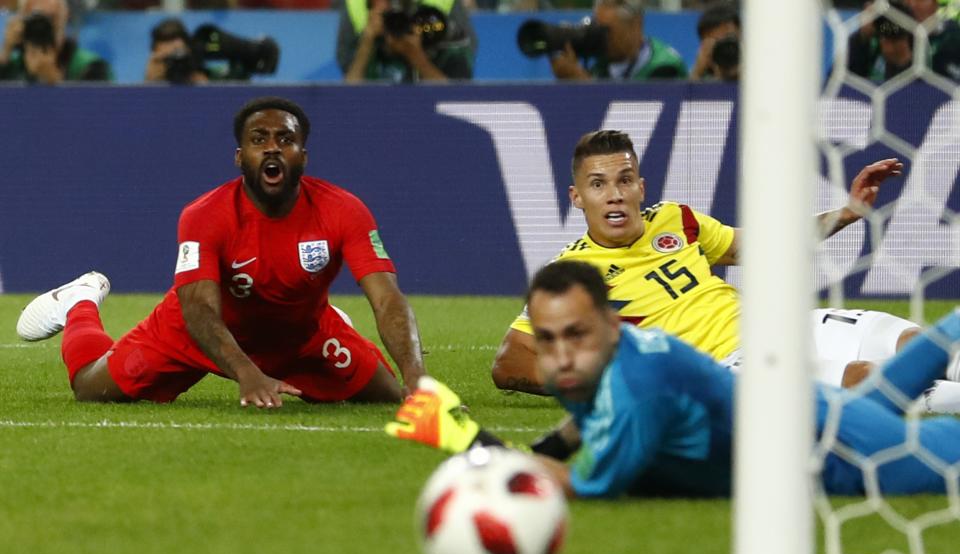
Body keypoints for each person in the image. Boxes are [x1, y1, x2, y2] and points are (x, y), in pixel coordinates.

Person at [387, 260, 960, 498]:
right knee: (916, 367)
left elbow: (565, 485)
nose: (561, 356)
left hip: (848, 452)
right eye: (548, 337)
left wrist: (463, 439)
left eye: (576, 335)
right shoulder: (618, 355)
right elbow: (569, 436)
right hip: (821, 412)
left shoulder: (642, 389)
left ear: (612, 325)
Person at [489, 130, 960, 414]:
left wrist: (848, 212)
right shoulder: (569, 274)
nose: (614, 194)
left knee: (919, 343)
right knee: (870, 377)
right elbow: (510, 362)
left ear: (640, 187)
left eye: (623, 180)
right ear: (577, 198)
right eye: (597, 185)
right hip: (728, 367)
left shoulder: (677, 219)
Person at [16, 96, 426, 408]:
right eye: (258, 140)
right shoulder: (204, 215)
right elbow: (197, 308)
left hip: (299, 334)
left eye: (285, 140)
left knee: (390, 396)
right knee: (91, 389)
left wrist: (417, 377)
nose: (271, 148)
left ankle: (327, 320)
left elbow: (387, 297)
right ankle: (79, 302)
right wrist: (248, 373)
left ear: (303, 155)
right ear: (239, 156)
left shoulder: (344, 210)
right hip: (195, 329)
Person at [337, 0, 476, 83]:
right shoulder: (371, 38)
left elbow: (456, 99)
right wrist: (366, 43)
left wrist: (416, 56)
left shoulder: (447, 36)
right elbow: (347, 100)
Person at [550, 0, 687, 82]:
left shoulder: (665, 67)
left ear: (635, 26)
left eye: (606, 31)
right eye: (597, 29)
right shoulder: (600, 67)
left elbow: (639, 122)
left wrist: (584, 86)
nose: (601, 38)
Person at [847, 0, 960, 83]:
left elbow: (941, 98)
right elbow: (839, 89)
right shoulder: (881, 33)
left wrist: (904, 63)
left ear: (935, 4)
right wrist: (861, 39)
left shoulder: (950, 38)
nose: (911, 3)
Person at [0, 0, 111, 83]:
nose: (42, 28)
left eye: (50, 18)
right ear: (21, 22)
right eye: (34, 20)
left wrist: (54, 80)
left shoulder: (91, 66)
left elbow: (98, 109)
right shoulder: (12, 67)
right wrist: (6, 50)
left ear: (65, 18)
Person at [144, 18, 210, 85]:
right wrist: (150, 80)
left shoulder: (195, 62)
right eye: (169, 58)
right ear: (155, 50)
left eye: (179, 54)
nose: (177, 62)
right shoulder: (156, 63)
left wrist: (203, 85)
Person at [688, 1, 740, 82]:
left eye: (729, 38)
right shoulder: (702, 77)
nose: (725, 48)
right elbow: (686, 93)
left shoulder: (763, 68)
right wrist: (696, 74)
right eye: (716, 42)